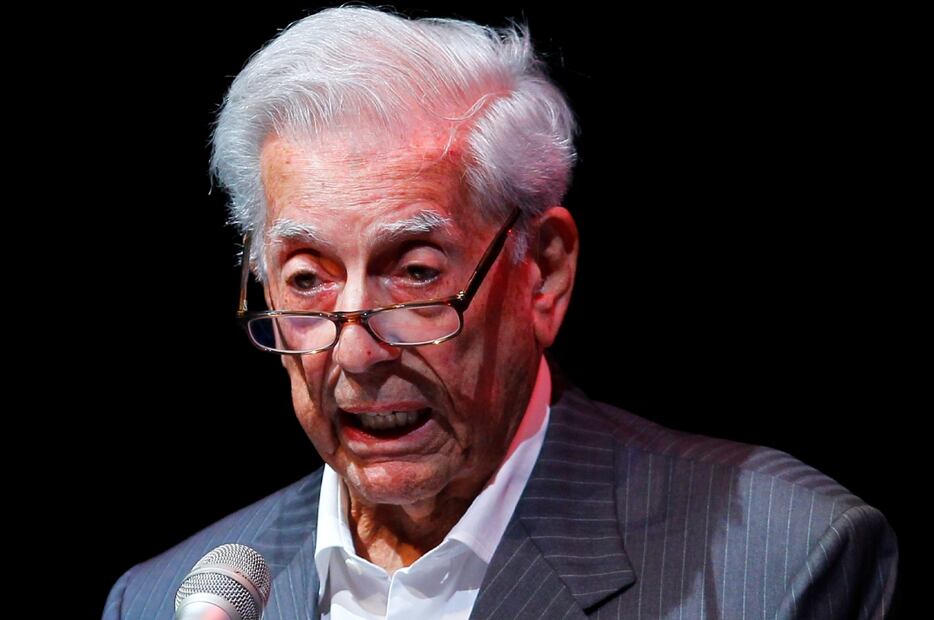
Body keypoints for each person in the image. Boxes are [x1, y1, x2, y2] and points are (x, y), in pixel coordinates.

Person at [103, 7, 898, 619]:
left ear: (542, 273)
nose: (355, 353)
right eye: (306, 279)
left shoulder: (779, 562)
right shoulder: (163, 602)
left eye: (415, 273)